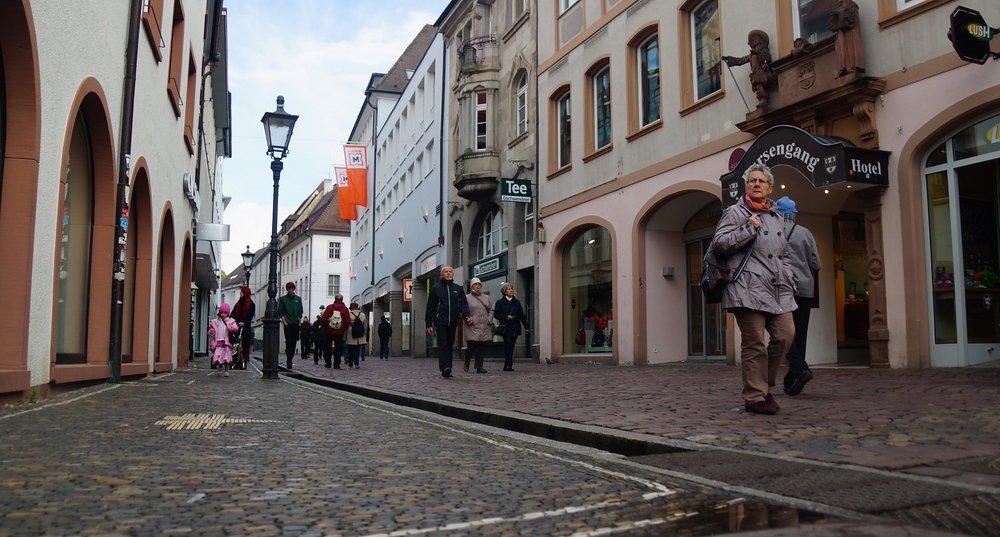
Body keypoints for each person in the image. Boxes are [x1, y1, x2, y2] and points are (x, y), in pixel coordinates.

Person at [709, 163, 796, 415]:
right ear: (747, 187)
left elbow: (784, 253)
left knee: (785, 335)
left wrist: (788, 275)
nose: (756, 184)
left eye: (761, 181)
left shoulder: (777, 216)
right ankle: (755, 397)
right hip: (746, 288)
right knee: (755, 343)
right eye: (752, 181)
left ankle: (764, 386)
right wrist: (749, 228)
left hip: (778, 288)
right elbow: (720, 243)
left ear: (770, 188)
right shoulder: (735, 212)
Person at [775, 196, 821, 397]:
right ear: (794, 214)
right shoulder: (806, 233)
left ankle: (800, 370)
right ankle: (793, 378)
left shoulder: (774, 232)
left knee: (782, 332)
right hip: (804, 289)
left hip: (782, 288)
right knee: (800, 333)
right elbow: (816, 264)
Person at [425, 265, 471, 378]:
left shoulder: (458, 288)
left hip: (453, 321)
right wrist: (428, 323)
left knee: (449, 344)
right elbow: (430, 307)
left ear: (453, 274)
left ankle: (448, 367)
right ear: (442, 274)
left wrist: (466, 316)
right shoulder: (436, 288)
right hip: (440, 320)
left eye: (450, 271)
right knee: (443, 344)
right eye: (446, 272)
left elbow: (463, 304)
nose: (448, 273)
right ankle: (445, 367)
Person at [722, 30, 774, 109]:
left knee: (760, 84)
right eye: (753, 40)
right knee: (758, 86)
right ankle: (761, 99)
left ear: (760, 40)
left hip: (762, 71)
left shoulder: (763, 50)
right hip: (755, 73)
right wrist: (730, 59)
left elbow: (767, 58)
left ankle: (763, 99)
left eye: (756, 39)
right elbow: (741, 60)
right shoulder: (751, 55)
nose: (755, 41)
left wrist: (757, 54)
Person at [493, 282, 530, 372]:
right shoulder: (500, 302)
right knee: (508, 346)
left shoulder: (516, 302)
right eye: (509, 289)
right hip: (506, 328)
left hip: (515, 327)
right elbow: (496, 314)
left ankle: (507, 365)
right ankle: (509, 365)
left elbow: (522, 315)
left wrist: (527, 327)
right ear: (505, 291)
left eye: (511, 289)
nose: (511, 290)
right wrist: (506, 317)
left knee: (511, 347)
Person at [464, 277, 493, 373]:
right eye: (475, 284)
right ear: (471, 286)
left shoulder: (486, 297)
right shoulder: (467, 297)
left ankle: (479, 367)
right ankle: (467, 362)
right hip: (472, 325)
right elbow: (464, 311)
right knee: (471, 346)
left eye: (479, 284)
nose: (477, 286)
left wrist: (489, 319)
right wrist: (468, 319)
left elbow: (491, 310)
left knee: (481, 347)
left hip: (484, 325)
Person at [830, 0, 864, 77]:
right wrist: (835, 14)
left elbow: (851, 21)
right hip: (841, 35)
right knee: (842, 49)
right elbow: (832, 26)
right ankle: (843, 67)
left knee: (851, 49)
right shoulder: (837, 8)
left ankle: (852, 67)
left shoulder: (852, 6)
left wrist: (841, 12)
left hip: (850, 34)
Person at [276, 282, 303, 369]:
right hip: (288, 324)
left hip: (295, 324)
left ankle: (290, 358)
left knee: (294, 342)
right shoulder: (283, 299)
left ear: (293, 289)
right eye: (289, 289)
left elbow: (300, 312)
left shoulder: (298, 299)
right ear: (287, 289)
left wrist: (299, 322)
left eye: (292, 288)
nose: (290, 290)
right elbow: (280, 311)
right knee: (288, 342)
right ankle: (289, 360)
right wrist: (284, 321)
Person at [208, 303, 239, 377]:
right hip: (218, 341)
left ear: (228, 313)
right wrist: (212, 331)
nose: (223, 314)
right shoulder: (216, 321)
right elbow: (212, 328)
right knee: (218, 357)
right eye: (221, 312)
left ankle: (226, 370)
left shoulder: (231, 321)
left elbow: (236, 328)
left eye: (225, 313)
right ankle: (220, 369)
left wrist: (231, 328)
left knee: (226, 357)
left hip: (226, 342)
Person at [320, 295, 351, 369]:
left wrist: (326, 327)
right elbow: (347, 321)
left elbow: (323, 319)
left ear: (335, 299)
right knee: (338, 349)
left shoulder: (329, 307)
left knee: (327, 348)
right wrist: (342, 329)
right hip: (339, 332)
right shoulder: (345, 309)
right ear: (342, 300)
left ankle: (328, 363)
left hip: (328, 332)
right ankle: (336, 364)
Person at [230, 286, 255, 370]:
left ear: (245, 294)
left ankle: (245, 361)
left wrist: (244, 323)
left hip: (245, 326)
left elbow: (250, 315)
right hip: (236, 325)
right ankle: (234, 360)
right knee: (235, 343)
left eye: (241, 292)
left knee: (245, 344)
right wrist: (231, 321)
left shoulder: (251, 304)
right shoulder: (238, 303)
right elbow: (233, 313)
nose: (240, 294)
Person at [345, 302, 367, 369]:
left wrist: (344, 335)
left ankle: (350, 363)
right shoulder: (362, 315)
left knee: (350, 350)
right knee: (357, 349)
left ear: (351, 307)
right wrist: (364, 333)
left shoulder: (349, 314)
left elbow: (346, 325)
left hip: (350, 333)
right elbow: (365, 326)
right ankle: (356, 363)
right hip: (360, 334)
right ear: (357, 307)